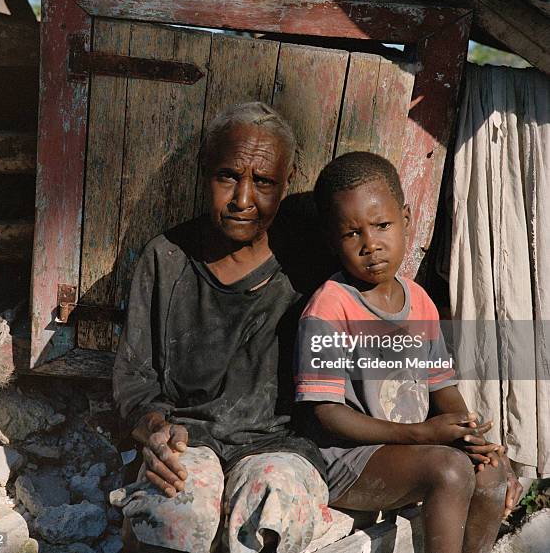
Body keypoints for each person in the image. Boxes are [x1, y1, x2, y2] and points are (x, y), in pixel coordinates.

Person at [111, 102, 340, 553]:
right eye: (228, 176)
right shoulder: (166, 258)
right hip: (189, 437)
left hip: (280, 444)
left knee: (275, 504)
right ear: (204, 172)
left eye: (264, 182)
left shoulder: (310, 264)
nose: (242, 199)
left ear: (287, 183)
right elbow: (134, 383)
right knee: (175, 509)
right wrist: (155, 431)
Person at [293, 152, 523, 553]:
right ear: (333, 240)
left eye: (382, 225)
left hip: (411, 449)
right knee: (449, 470)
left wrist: (470, 435)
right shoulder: (330, 307)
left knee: (491, 471)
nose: (371, 245)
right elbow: (327, 411)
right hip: (350, 462)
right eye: (352, 234)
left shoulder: (418, 300)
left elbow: (442, 387)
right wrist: (420, 434)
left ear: (406, 217)